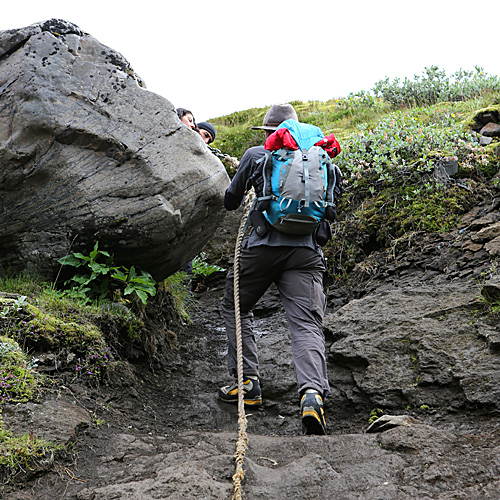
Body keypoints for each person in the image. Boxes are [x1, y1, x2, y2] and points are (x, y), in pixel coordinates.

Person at [218, 103, 330, 435]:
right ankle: (312, 395)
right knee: (306, 325)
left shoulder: (256, 154)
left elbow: (230, 200)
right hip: (306, 253)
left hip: (260, 249)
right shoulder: (321, 158)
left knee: (235, 306)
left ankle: (248, 384)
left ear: (270, 132)